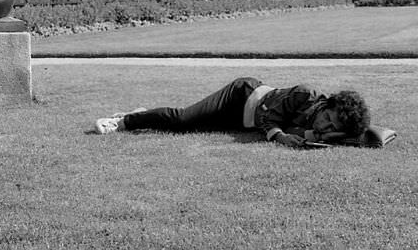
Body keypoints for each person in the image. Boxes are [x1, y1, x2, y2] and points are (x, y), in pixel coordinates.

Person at [94, 77, 370, 148]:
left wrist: (332, 134)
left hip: (242, 123)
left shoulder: (328, 125)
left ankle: (144, 114)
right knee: (183, 119)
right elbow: (270, 120)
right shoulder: (305, 94)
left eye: (331, 126)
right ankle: (123, 121)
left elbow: (365, 135)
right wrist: (280, 136)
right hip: (241, 96)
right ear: (329, 104)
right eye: (328, 118)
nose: (324, 125)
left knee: (187, 128)